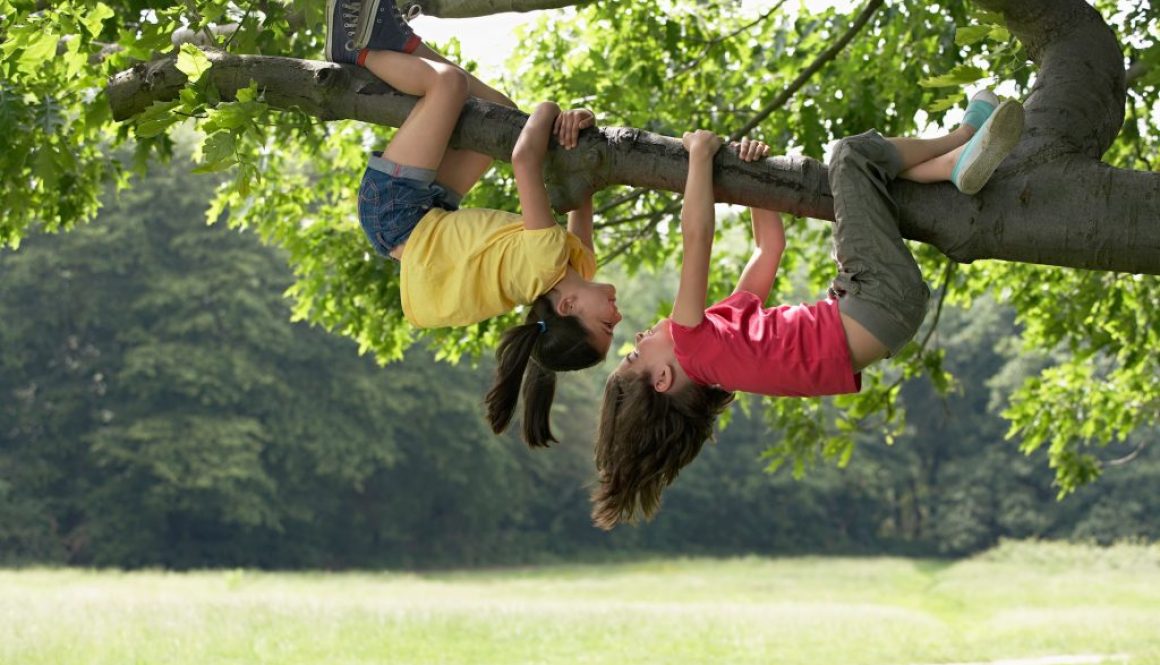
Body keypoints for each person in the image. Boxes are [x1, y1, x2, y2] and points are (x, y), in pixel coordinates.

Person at [591, 91, 1024, 529]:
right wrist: (700, 156)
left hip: (882, 310)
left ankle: (951, 168)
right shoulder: (690, 342)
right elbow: (697, 237)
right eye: (634, 355)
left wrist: (754, 178)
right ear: (663, 378)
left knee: (863, 183)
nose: (639, 338)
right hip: (873, 299)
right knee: (849, 155)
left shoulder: (722, 351)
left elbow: (767, 250)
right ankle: (964, 135)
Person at [325, 0, 622, 446]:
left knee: (448, 86)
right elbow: (580, 188)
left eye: (606, 325)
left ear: (567, 308)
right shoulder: (579, 267)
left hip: (397, 215)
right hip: (433, 212)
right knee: (497, 111)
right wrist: (580, 125)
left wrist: (549, 109)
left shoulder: (543, 263)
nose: (618, 315)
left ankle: (355, 50)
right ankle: (396, 39)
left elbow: (524, 158)